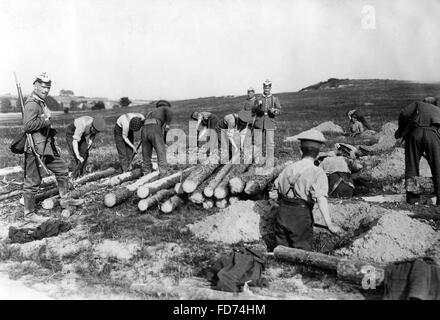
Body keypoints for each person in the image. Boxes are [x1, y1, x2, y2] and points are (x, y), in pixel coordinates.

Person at [269, 129, 342, 251]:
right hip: (301, 216)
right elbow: (321, 198)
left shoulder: (288, 168)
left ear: (300, 149)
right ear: (318, 152)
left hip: (282, 213)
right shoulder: (317, 172)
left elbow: (273, 193)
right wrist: (329, 223)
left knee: (281, 252)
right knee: (301, 253)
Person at [21, 73, 80, 221]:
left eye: (48, 87)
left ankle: (65, 200)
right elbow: (28, 126)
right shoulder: (32, 103)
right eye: (43, 86)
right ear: (35, 85)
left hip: (45, 147)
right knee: (33, 181)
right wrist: (46, 120)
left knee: (62, 170)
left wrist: (54, 143)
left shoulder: (41, 102)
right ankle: (29, 214)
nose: (46, 90)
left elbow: (45, 128)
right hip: (34, 149)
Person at [395, 97, 440, 205]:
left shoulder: (417, 104)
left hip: (415, 133)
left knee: (412, 166)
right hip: (432, 135)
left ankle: (412, 200)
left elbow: (404, 113)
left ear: (424, 103)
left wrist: (402, 131)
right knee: (438, 168)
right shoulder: (438, 110)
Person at [142, 100, 173, 175]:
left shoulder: (151, 112)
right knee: (161, 151)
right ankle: (163, 172)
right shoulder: (165, 108)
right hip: (155, 127)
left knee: (146, 153)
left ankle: (146, 172)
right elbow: (169, 111)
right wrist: (168, 124)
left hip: (144, 129)